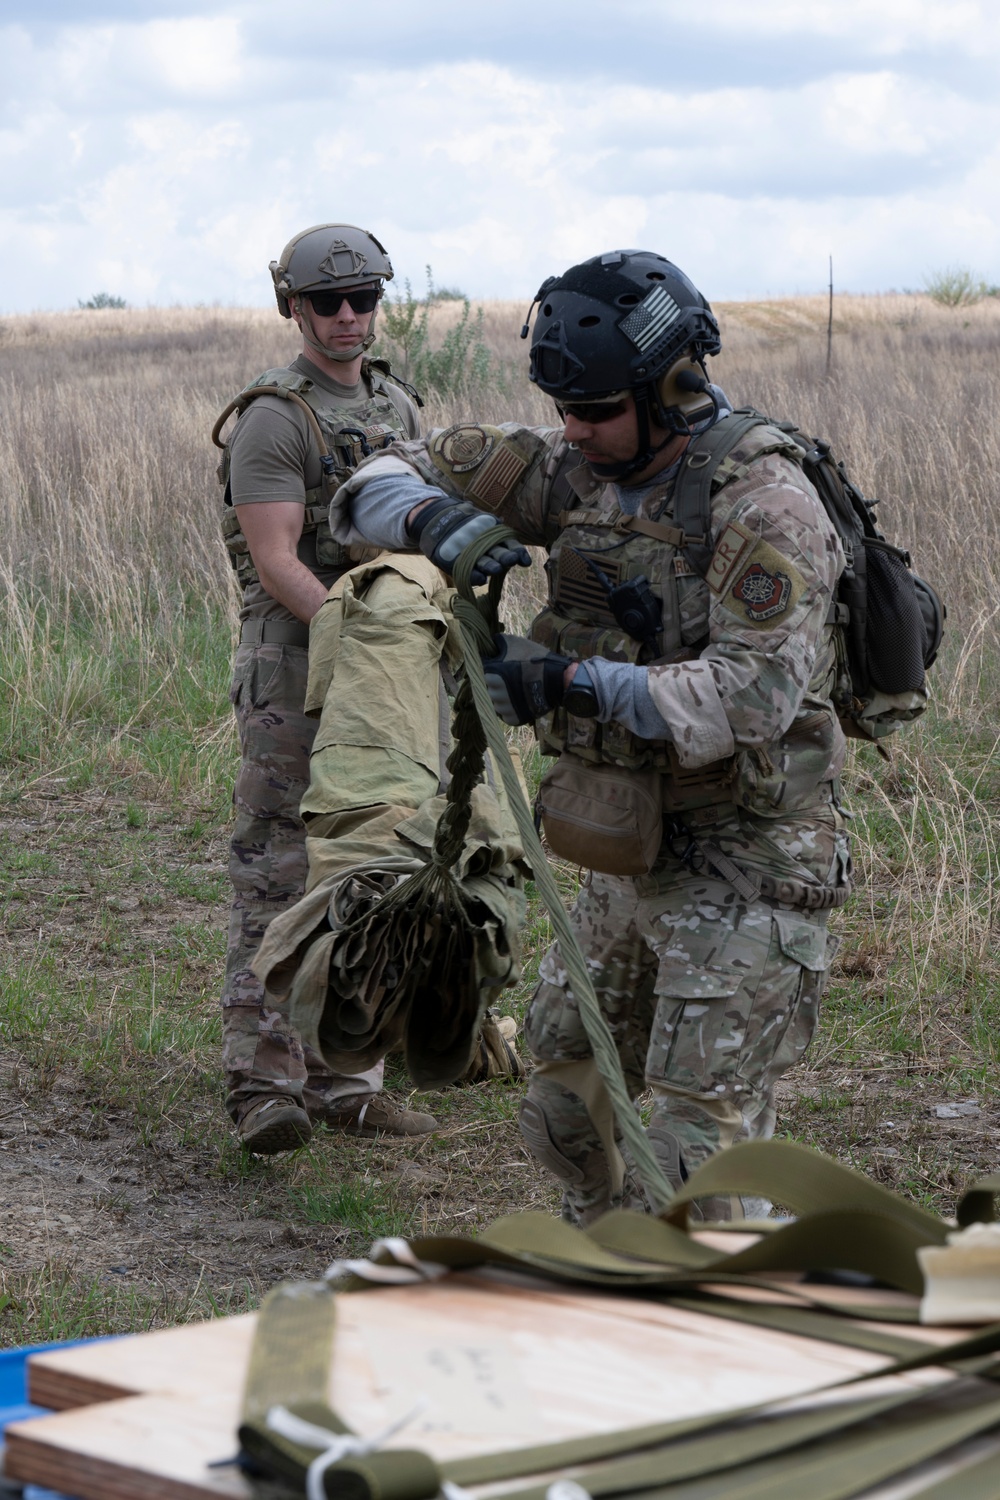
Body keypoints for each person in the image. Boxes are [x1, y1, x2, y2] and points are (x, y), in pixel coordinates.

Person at [328, 248, 852, 1222]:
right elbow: (367, 489)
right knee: (561, 1110)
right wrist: (436, 518)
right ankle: (613, 1270)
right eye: (563, 409)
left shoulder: (760, 498)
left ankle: (720, 1323)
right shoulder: (575, 466)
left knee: (699, 1158)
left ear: (673, 386)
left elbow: (753, 698)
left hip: (746, 854)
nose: (573, 431)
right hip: (625, 847)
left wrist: (569, 681)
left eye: (597, 412)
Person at [216, 222, 437, 1154]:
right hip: (298, 668)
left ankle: (350, 1076)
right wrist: (356, 639)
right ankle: (264, 1086)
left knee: (376, 862)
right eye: (326, 303)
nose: (349, 319)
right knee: (280, 867)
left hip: (384, 667)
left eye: (365, 301)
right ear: (293, 307)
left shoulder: (400, 405)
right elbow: (275, 559)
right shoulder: (275, 416)